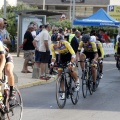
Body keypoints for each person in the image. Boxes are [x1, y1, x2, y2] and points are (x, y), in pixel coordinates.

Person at [50, 34, 80, 99]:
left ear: (60, 41)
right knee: (59, 75)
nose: (54, 44)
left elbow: (73, 54)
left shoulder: (66, 43)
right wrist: (52, 63)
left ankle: (77, 81)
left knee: (70, 69)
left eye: (56, 42)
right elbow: (54, 56)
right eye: (53, 42)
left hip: (70, 57)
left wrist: (71, 62)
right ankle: (63, 93)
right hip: (62, 58)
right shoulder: (52, 46)